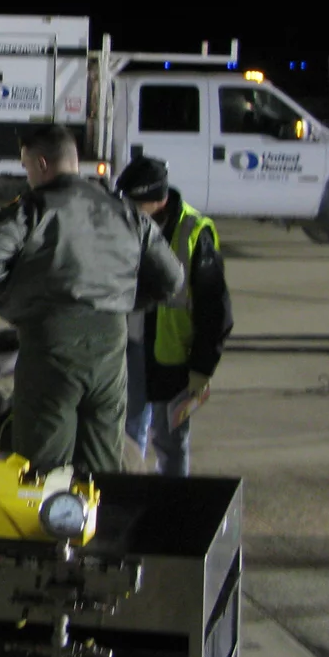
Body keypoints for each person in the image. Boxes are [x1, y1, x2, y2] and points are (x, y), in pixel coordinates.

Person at [0, 124, 184, 475]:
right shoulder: (125, 211)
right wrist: (123, 299)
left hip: (53, 342)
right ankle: (100, 510)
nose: (28, 175)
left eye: (27, 166)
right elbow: (172, 279)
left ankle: (49, 512)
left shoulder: (36, 207)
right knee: (103, 462)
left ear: (42, 164)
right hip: (111, 346)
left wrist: (17, 294)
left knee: (44, 462)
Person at [114, 157, 234, 476]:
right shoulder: (124, 224)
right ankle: (128, 496)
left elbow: (215, 308)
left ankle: (173, 500)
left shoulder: (194, 231)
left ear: (159, 200)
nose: (127, 210)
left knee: (170, 443)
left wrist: (203, 368)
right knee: (126, 440)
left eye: (135, 204)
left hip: (174, 360)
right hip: (129, 350)